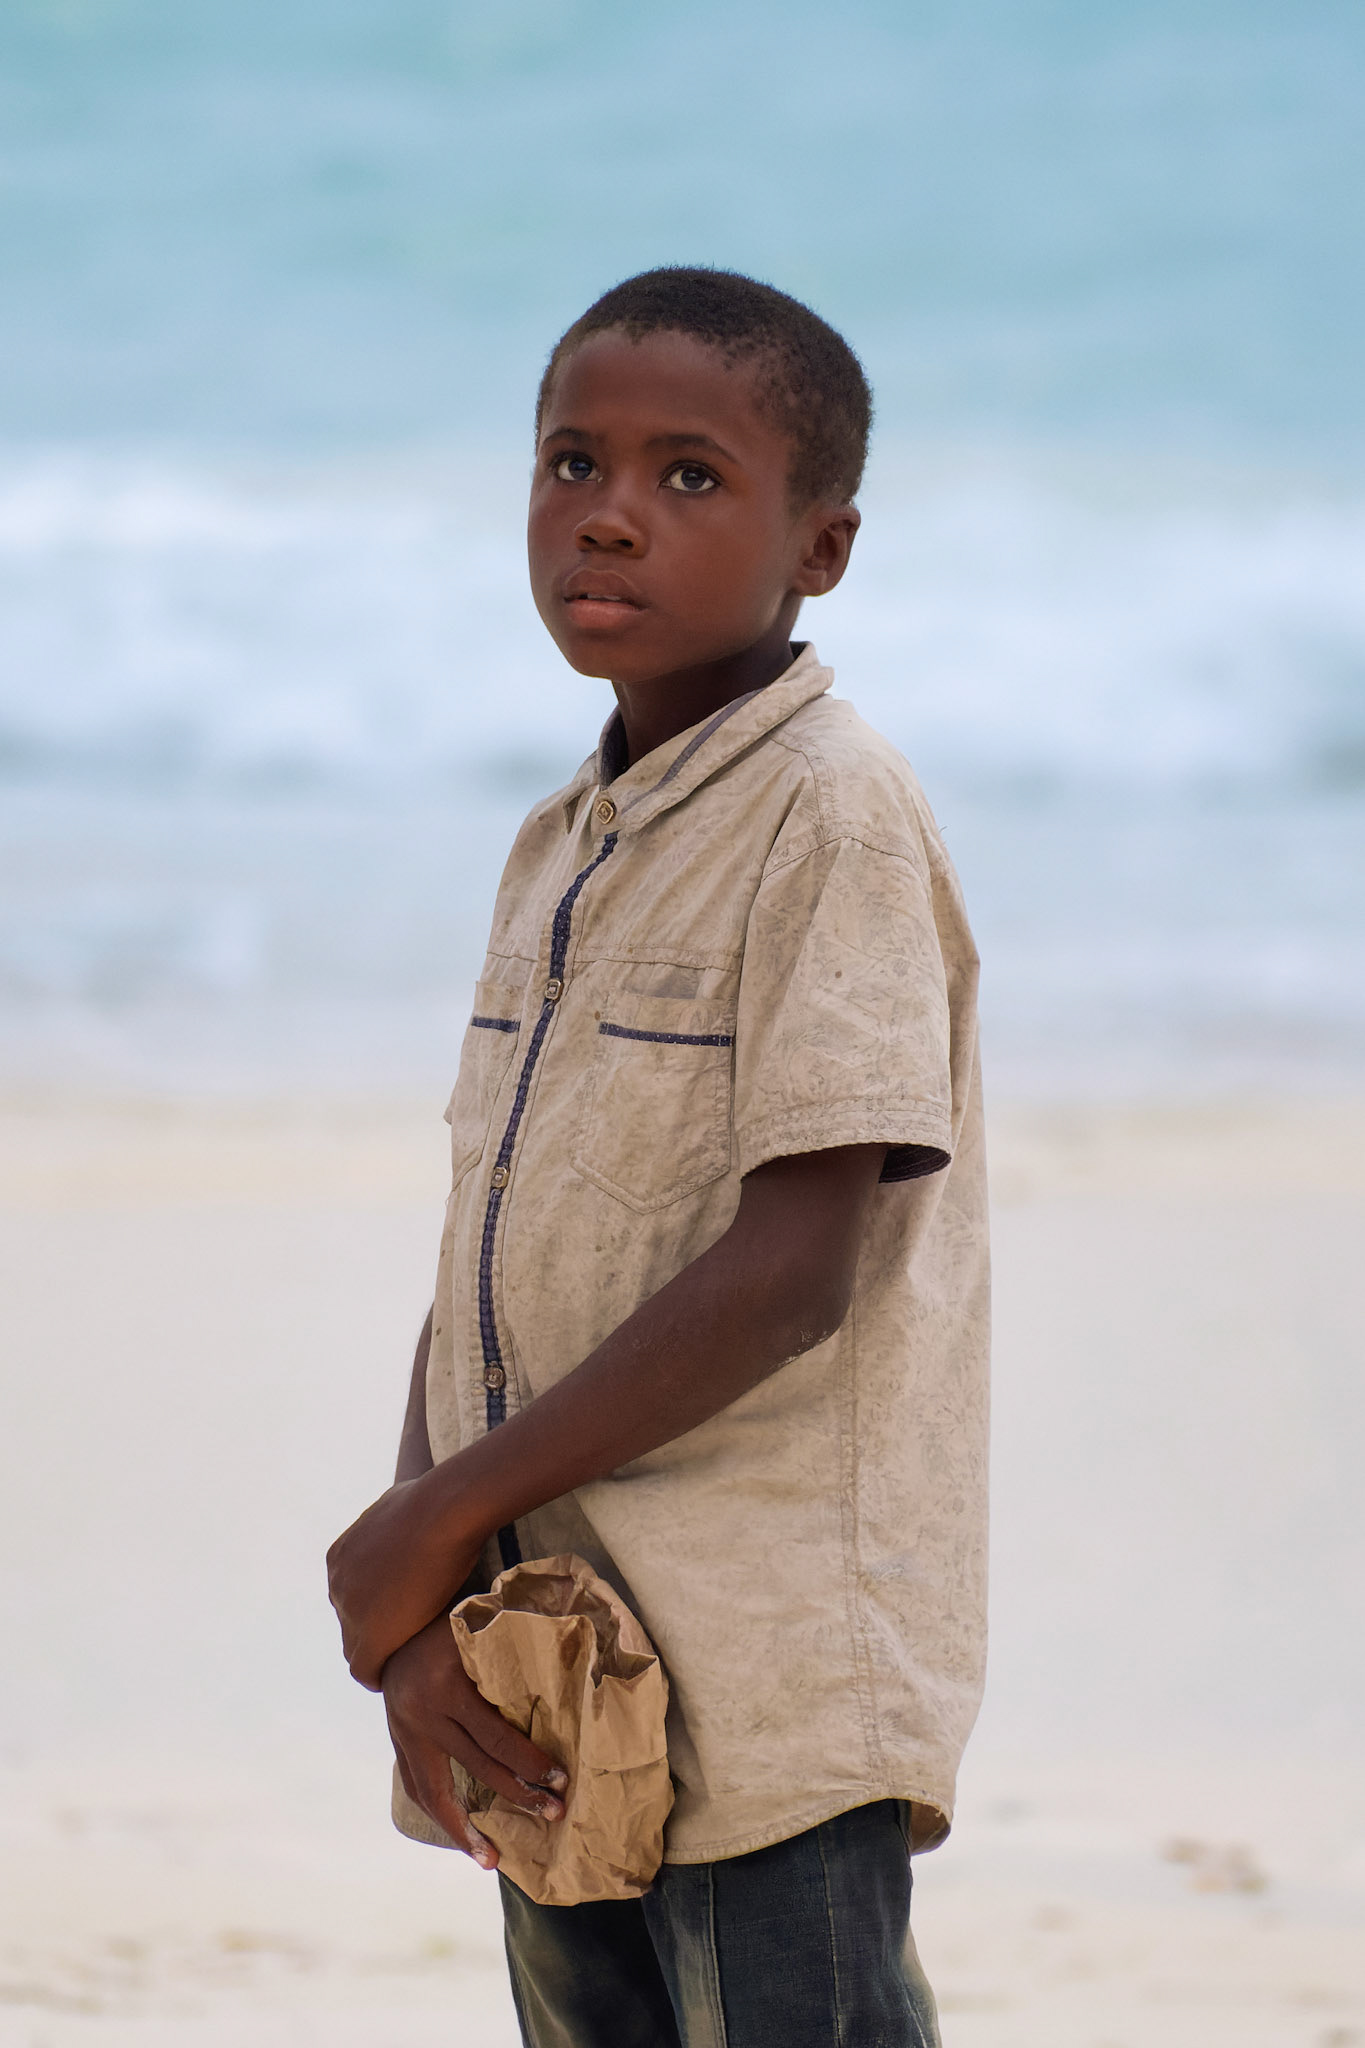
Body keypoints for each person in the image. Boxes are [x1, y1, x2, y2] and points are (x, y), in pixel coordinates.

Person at [327, 266, 988, 2048]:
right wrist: (431, 1585)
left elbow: (789, 1276)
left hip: (766, 1664)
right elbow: (489, 1243)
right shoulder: (565, 840)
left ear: (820, 548)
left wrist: (428, 1517)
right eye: (572, 462)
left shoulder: (830, 816)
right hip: (552, 1660)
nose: (608, 513)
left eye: (690, 475)